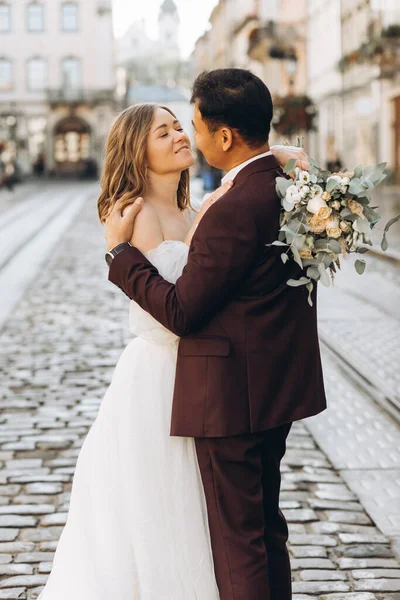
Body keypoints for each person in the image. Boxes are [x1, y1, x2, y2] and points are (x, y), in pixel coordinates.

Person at [38, 70, 324, 600]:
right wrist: (117, 252)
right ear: (137, 153)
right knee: (177, 516)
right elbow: (169, 310)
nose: (180, 137)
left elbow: (219, 256)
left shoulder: (204, 209)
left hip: (214, 380)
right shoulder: (135, 215)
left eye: (181, 126)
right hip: (165, 380)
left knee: (233, 524)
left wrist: (273, 153)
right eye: (165, 132)